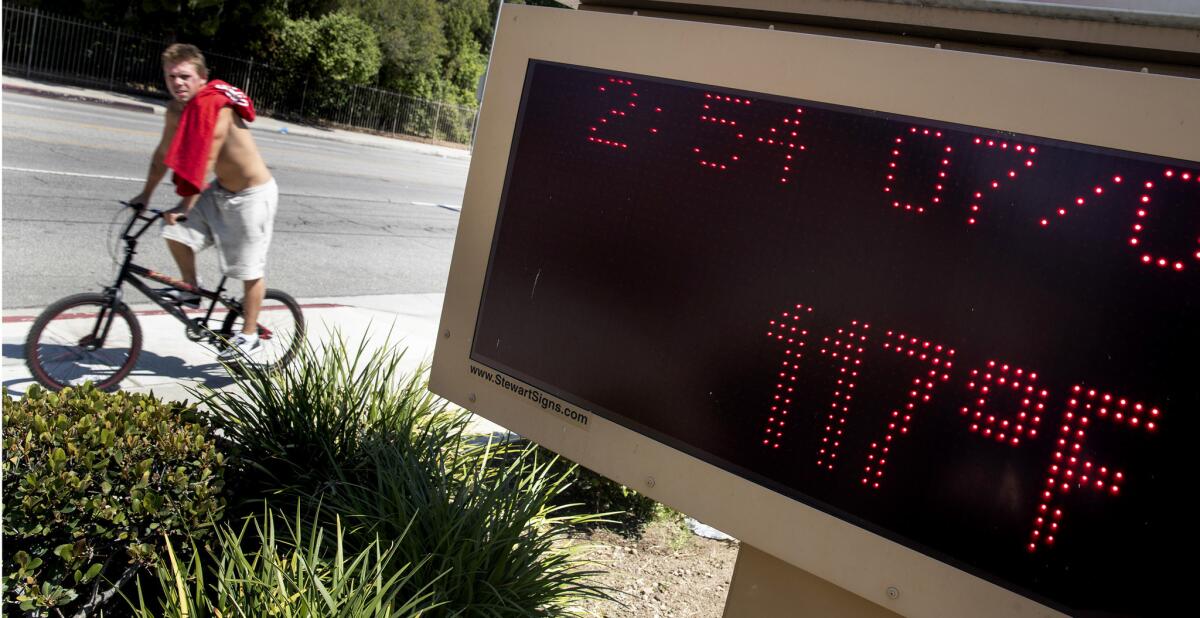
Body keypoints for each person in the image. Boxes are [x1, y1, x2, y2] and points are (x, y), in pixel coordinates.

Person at [130, 43, 277, 360]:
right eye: (171, 77)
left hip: (253, 195)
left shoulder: (216, 107)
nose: (177, 83)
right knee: (175, 234)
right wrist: (145, 195)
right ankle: (191, 290)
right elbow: (162, 156)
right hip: (221, 190)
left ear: (201, 78)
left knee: (248, 269)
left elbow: (207, 156)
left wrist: (185, 205)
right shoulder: (175, 110)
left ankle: (249, 336)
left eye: (184, 76)